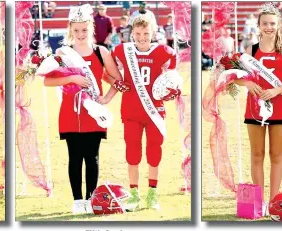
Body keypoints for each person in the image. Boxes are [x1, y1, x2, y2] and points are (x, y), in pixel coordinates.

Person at [40, 4, 125, 214]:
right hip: (70, 111)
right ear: (70, 29)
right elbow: (48, 82)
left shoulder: (101, 52)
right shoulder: (62, 52)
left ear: (91, 28)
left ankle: (91, 199)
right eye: (76, 30)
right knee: (75, 156)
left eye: (84, 30)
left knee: (92, 157)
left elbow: (118, 80)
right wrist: (72, 78)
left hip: (93, 113)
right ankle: (77, 200)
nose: (80, 34)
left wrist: (105, 98)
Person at [233, 3, 282, 216]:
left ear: (278, 24)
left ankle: (273, 201)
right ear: (259, 25)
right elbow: (235, 77)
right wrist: (248, 84)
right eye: (265, 23)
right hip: (254, 107)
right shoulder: (250, 50)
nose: (269, 27)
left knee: (276, 154)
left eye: (272, 23)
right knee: (257, 154)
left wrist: (278, 90)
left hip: (279, 107)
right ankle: (259, 202)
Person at [112, 14, 182, 211]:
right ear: (131, 33)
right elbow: (107, 70)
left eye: (146, 33)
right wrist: (115, 82)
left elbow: (173, 77)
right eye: (138, 33)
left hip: (155, 111)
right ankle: (134, 194)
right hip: (132, 110)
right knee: (132, 152)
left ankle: (152, 193)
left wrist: (172, 89)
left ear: (153, 33)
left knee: (154, 151)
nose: (142, 37)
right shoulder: (122, 51)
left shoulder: (164, 52)